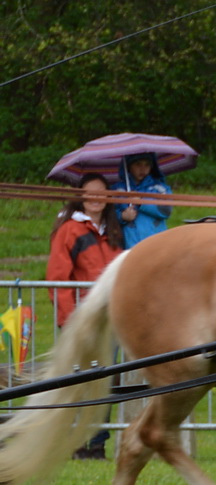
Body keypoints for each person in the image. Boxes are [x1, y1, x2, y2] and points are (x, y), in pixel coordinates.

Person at [46, 173, 125, 459]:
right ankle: (74, 442)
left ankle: (97, 443)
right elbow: (58, 278)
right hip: (80, 317)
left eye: (101, 194)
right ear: (80, 196)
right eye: (90, 194)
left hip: (110, 318)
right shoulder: (70, 230)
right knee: (78, 381)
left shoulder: (115, 230)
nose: (96, 199)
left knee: (105, 380)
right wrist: (69, 322)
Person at [115, 153, 173, 248]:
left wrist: (142, 203)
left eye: (147, 165)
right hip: (129, 244)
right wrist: (122, 216)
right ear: (128, 166)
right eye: (138, 164)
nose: (143, 169)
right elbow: (108, 215)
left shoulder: (160, 188)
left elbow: (166, 211)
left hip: (157, 243)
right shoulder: (118, 190)